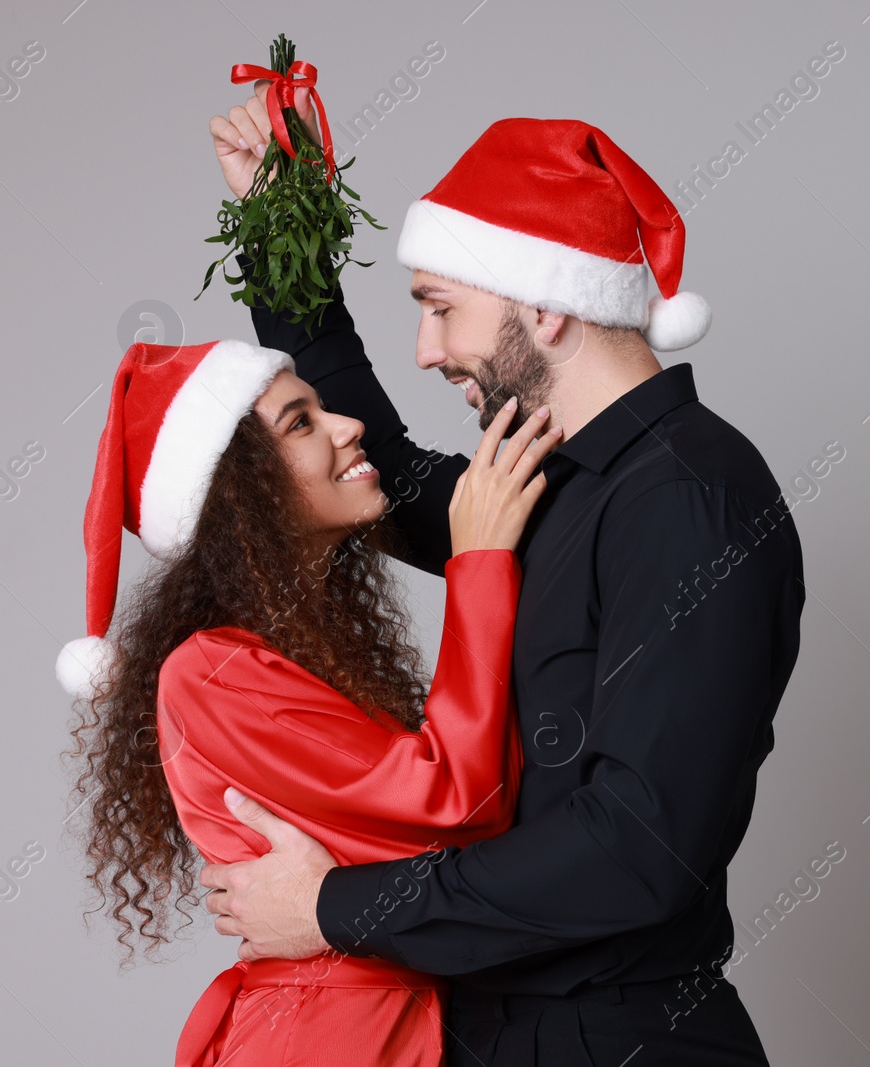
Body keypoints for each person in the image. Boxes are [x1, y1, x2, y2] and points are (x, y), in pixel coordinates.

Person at [197, 89, 806, 1063]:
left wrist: (331, 905)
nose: (427, 350)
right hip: (492, 1033)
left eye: (442, 310)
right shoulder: (546, 484)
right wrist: (282, 226)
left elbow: (632, 845)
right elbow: (382, 469)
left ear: (545, 304)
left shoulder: (690, 499)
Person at [58, 337, 562, 1065]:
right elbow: (457, 806)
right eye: (301, 422)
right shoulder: (211, 674)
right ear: (240, 490)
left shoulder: (291, 654)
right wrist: (478, 559)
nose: (346, 425)